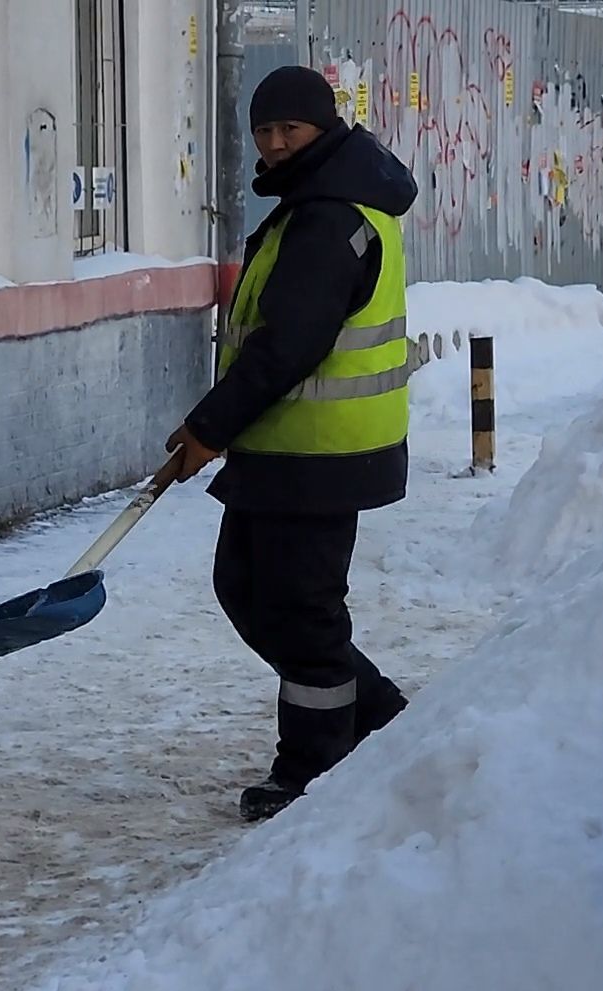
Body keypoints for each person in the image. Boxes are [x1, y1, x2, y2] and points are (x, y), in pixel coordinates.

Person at [165, 65, 420, 822]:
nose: (275, 143)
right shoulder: (313, 201)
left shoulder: (330, 217)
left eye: (290, 128)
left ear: (324, 126)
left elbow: (288, 347)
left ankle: (312, 770)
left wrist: (209, 427)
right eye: (265, 130)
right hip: (285, 450)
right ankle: (384, 717)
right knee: (247, 591)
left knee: (302, 614)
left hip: (322, 456)